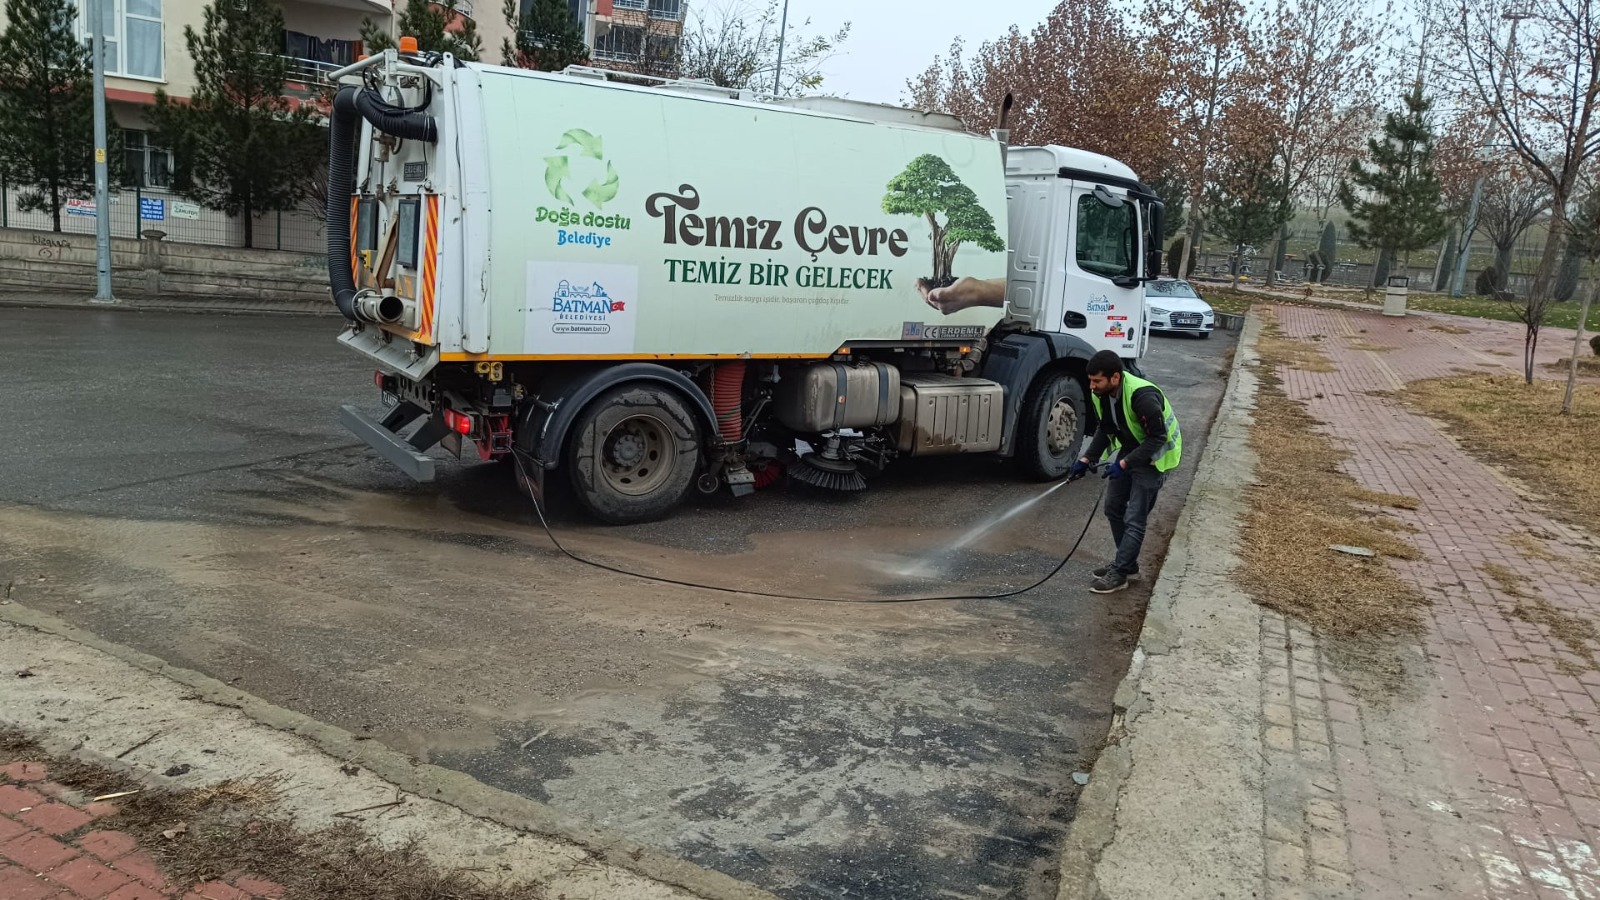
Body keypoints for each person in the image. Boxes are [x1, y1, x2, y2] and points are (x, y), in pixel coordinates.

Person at [1067, 350, 1183, 594]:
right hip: (1133, 449)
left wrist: (1124, 464)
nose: (1092, 386)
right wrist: (1088, 457)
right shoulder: (1101, 393)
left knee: (1134, 518)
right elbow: (1106, 428)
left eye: (1097, 381)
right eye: (1091, 380)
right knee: (1113, 508)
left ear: (1116, 378)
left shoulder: (1142, 396)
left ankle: (1120, 574)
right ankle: (1127, 564)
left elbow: (1158, 438)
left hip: (1155, 457)